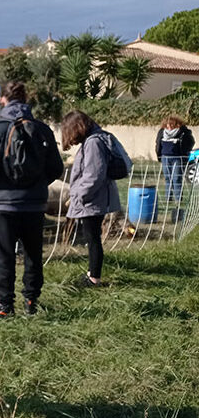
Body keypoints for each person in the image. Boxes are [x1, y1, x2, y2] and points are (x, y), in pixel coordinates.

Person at [0, 81, 64, 319]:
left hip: (3, 205)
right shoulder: (43, 130)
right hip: (34, 204)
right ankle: (31, 302)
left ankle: (4, 306)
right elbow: (56, 168)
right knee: (33, 253)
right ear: (26, 100)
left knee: (3, 254)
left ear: (3, 100)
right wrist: (37, 185)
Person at [62, 110, 121, 287]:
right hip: (95, 198)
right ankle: (91, 274)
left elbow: (94, 174)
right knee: (92, 237)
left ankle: (94, 278)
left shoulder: (93, 143)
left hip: (93, 200)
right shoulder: (94, 139)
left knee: (93, 238)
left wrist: (79, 195)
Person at [155, 115, 194, 213]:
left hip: (177, 158)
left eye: (171, 124)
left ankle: (178, 199)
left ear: (176, 124)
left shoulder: (183, 132)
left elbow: (191, 142)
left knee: (177, 178)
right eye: (167, 125)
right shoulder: (162, 132)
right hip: (165, 157)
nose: (169, 126)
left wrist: (184, 153)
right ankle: (168, 198)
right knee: (168, 178)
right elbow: (158, 143)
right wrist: (159, 154)